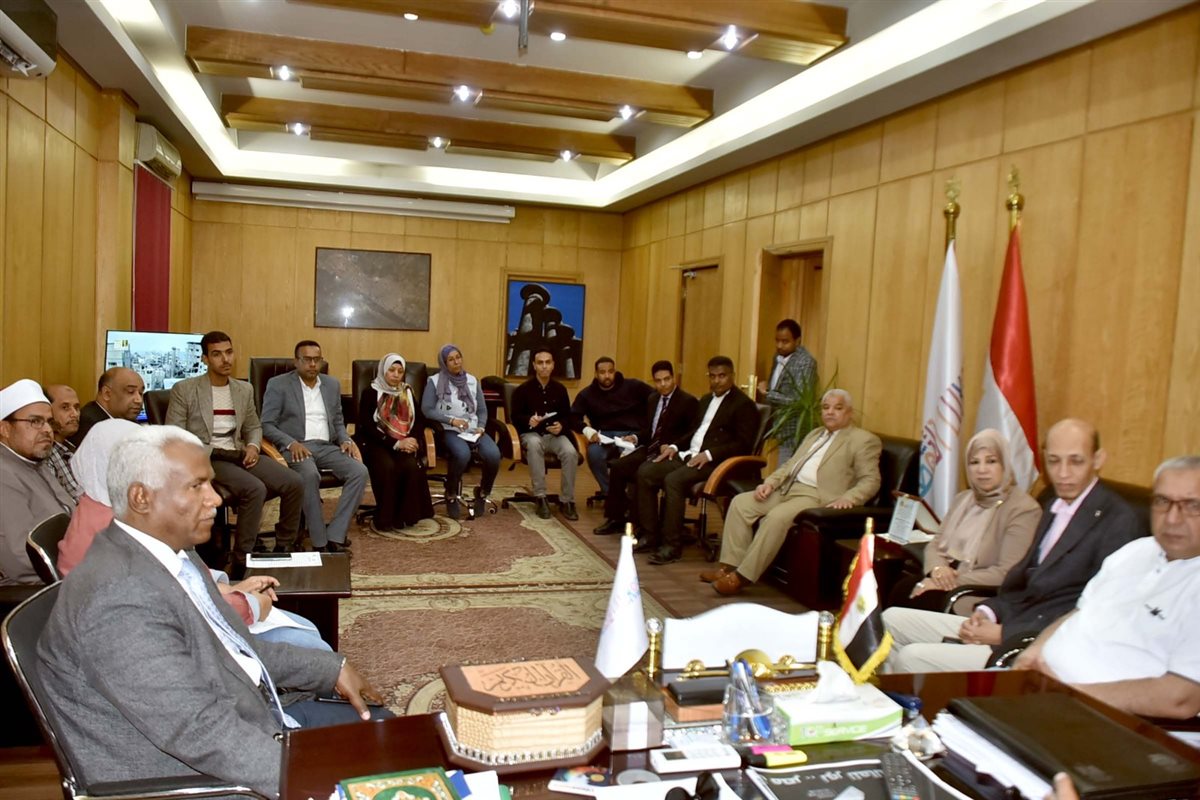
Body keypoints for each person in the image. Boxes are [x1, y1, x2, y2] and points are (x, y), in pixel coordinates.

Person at [36, 426, 386, 797]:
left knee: (384, 732)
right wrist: (320, 785)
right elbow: (200, 731)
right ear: (141, 497)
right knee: (380, 764)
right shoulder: (118, 598)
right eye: (197, 486)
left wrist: (330, 668)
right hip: (202, 777)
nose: (216, 499)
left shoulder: (173, 552)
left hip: (241, 721)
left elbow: (237, 647)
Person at [882, 419, 1143, 673]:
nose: (1063, 473)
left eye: (1075, 461)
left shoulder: (1117, 521)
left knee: (911, 658)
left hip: (1033, 644)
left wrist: (1004, 633)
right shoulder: (1054, 506)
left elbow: (1095, 610)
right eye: (1054, 461)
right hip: (1009, 620)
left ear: (1097, 459)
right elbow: (1022, 580)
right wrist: (989, 611)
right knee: (890, 620)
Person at [57, 418, 329, 651]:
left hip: (191, 623)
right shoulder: (114, 535)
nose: (215, 499)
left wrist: (228, 588)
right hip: (176, 645)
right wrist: (249, 606)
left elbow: (178, 575)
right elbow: (178, 611)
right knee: (312, 645)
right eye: (196, 486)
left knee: (308, 633)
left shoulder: (106, 509)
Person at [1013, 455, 1200, 720]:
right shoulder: (1134, 552)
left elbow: (1180, 699)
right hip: (1042, 694)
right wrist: (1032, 654)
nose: (1171, 518)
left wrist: (1066, 694)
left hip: (1113, 722)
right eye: (1162, 501)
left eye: (1192, 505)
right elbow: (1080, 613)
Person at [702, 389, 880, 595]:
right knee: (741, 503)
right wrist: (770, 483)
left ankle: (741, 577)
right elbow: (790, 465)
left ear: (849, 412)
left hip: (816, 495)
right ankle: (729, 567)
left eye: (837, 408)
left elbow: (871, 480)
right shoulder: (815, 434)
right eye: (826, 407)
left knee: (776, 517)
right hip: (788, 488)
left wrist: (849, 498)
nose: (830, 412)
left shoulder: (863, 440)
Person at [167, 331, 304, 572]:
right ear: (205, 359)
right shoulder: (185, 389)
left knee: (294, 482)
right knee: (255, 488)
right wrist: (223, 453)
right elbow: (175, 434)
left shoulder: (243, 389)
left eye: (229, 352)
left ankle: (284, 546)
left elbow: (253, 426)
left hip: (240, 452)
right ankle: (242, 558)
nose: (225, 359)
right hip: (208, 457)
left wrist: (252, 446)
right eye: (217, 354)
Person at [888, 429, 1041, 611]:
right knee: (901, 589)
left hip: (977, 589)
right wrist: (938, 570)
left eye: (991, 461)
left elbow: (1007, 573)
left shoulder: (1023, 509)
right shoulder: (963, 499)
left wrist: (950, 581)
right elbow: (936, 544)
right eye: (974, 462)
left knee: (919, 601)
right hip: (947, 575)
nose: (982, 470)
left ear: (1005, 464)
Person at [635, 356, 759, 564]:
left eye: (722, 376)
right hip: (690, 455)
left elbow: (743, 444)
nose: (717, 381)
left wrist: (709, 454)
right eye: (713, 376)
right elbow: (694, 431)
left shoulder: (743, 405)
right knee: (645, 472)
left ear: (732, 376)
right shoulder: (706, 399)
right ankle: (651, 535)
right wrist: (674, 446)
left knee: (673, 480)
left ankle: (671, 546)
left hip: (716, 463)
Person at [261, 340, 367, 553]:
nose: (312, 364)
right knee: (310, 475)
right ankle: (320, 542)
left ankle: (335, 535)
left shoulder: (331, 384)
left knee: (360, 471)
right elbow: (266, 424)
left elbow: (338, 421)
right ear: (296, 361)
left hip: (327, 446)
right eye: (307, 359)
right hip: (297, 446)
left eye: (316, 359)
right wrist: (290, 443)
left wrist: (345, 440)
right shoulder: (278, 384)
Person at [594, 360, 699, 536]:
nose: (663, 384)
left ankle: (642, 525)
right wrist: (635, 437)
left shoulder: (687, 401)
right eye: (658, 381)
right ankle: (615, 518)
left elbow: (692, 434)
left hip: (671, 453)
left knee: (641, 471)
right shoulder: (653, 399)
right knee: (618, 467)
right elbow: (650, 430)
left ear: (673, 378)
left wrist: (674, 445)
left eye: (667, 379)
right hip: (651, 449)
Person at [0, 379, 76, 585]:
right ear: (5, 428)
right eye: (35, 422)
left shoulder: (35, 461)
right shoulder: (4, 475)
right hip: (41, 588)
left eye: (49, 422)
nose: (47, 430)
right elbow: (22, 559)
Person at [422, 345, 500, 521]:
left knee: (494, 455)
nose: (456, 362)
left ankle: (482, 493)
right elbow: (427, 410)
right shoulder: (434, 381)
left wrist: (481, 427)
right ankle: (450, 493)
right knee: (462, 454)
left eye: (458, 357)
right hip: (448, 429)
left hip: (473, 429)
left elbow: (482, 410)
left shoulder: (472, 381)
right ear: (444, 363)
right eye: (451, 359)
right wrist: (451, 420)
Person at [358, 353, 433, 531]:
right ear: (383, 371)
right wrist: (396, 443)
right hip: (376, 443)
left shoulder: (406, 391)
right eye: (391, 370)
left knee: (411, 466)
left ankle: (403, 516)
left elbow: (419, 420)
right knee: (387, 466)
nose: (396, 375)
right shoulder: (371, 392)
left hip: (404, 442)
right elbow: (367, 426)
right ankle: (385, 518)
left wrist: (412, 438)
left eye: (400, 371)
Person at [511, 347, 579, 521]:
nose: (544, 366)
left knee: (570, 452)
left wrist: (561, 426)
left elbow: (568, 416)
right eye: (540, 363)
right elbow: (514, 417)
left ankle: (567, 500)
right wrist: (529, 420)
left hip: (554, 435)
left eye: (547, 362)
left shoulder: (560, 389)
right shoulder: (523, 390)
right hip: (531, 434)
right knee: (534, 444)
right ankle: (540, 496)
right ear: (534, 365)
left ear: (553, 365)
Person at [571, 357, 652, 497]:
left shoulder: (634, 386)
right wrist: (588, 431)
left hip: (630, 434)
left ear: (615, 371)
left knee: (632, 457)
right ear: (596, 374)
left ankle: (631, 495)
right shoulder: (587, 394)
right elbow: (573, 418)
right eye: (602, 372)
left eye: (610, 371)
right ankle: (610, 493)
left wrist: (643, 429)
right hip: (603, 436)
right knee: (594, 454)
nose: (607, 376)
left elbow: (656, 399)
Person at [757, 319, 816, 462]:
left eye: (785, 341)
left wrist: (768, 393)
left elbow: (798, 400)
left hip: (792, 428)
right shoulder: (777, 356)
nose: (779, 345)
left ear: (797, 341)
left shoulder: (806, 362)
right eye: (777, 341)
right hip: (773, 423)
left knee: (784, 468)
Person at [70, 366, 144, 445]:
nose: (139, 400)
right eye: (130, 392)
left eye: (141, 393)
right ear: (107, 394)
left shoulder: (128, 420)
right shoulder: (90, 426)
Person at [42, 383, 82, 501]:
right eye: (65, 407)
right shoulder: (45, 455)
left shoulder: (73, 448)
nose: (74, 414)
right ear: (47, 410)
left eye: (77, 407)